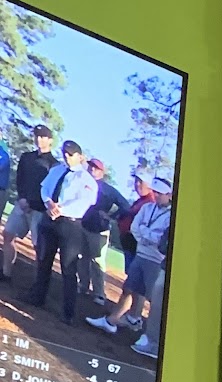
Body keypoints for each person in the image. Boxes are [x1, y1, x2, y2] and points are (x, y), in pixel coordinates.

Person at [88, 175, 171, 353]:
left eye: (160, 193)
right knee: (129, 289)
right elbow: (135, 227)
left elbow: (161, 239)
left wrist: (145, 233)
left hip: (155, 260)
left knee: (154, 299)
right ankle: (111, 321)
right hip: (141, 254)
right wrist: (146, 235)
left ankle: (154, 339)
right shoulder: (147, 207)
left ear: (169, 195)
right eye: (155, 192)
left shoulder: (171, 215)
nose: (156, 195)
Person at [27, 142, 98, 324]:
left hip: (70, 224)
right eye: (65, 153)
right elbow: (45, 188)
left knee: (68, 268)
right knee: (44, 260)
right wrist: (48, 202)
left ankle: (68, 312)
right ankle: (37, 297)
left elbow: (84, 202)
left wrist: (61, 210)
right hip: (49, 219)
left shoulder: (86, 180)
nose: (67, 157)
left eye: (71, 154)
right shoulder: (57, 170)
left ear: (80, 156)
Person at [1, 124, 57, 281]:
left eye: (43, 137)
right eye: (37, 136)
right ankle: (6, 272)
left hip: (39, 210)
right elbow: (20, 179)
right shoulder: (26, 157)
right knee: (8, 235)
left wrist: (35, 203)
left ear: (50, 140)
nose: (39, 139)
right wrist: (22, 198)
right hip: (21, 205)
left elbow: (50, 189)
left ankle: (37, 282)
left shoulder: (54, 164)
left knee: (38, 246)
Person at [79, 159, 132, 303]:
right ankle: (83, 286)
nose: (92, 169)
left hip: (99, 229)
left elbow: (125, 206)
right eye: (91, 166)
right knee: (82, 258)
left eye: (96, 168)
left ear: (102, 172)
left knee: (97, 261)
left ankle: (99, 293)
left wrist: (111, 216)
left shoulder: (108, 190)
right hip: (82, 225)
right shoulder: (82, 182)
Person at [117, 167, 154, 269]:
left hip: (136, 247)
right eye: (136, 181)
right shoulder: (140, 201)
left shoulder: (150, 202)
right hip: (129, 244)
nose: (137, 184)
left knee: (133, 275)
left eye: (141, 182)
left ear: (149, 184)